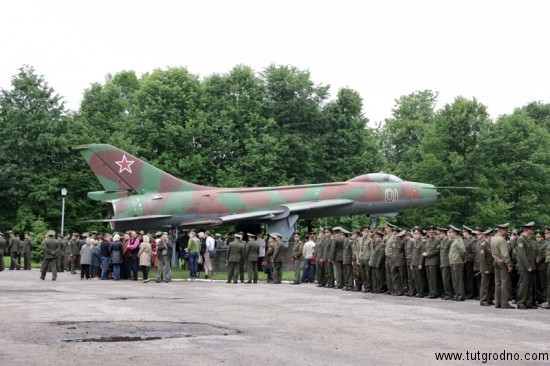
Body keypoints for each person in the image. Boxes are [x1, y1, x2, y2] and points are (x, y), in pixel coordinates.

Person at [490, 223, 513, 309]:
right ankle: (504, 303)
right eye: (506, 230)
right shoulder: (501, 240)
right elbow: (505, 254)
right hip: (502, 262)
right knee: (504, 282)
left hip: (495, 261)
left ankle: (497, 302)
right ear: (502, 230)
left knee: (497, 283)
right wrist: (509, 264)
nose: (507, 232)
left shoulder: (493, 239)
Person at [516, 222, 537, 309]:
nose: (532, 231)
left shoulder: (527, 239)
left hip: (530, 266)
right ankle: (521, 303)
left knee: (529, 285)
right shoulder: (521, 239)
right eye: (531, 229)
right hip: (526, 267)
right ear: (528, 230)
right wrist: (527, 266)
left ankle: (528, 302)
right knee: (524, 285)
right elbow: (521, 255)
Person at [448, 225, 466, 301]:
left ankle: (461, 295)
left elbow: (463, 251)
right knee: (454, 279)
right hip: (453, 262)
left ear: (455, 233)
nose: (449, 234)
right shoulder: (454, 241)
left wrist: (462, 259)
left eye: (450, 232)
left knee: (458, 280)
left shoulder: (458, 241)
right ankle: (457, 293)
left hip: (457, 262)